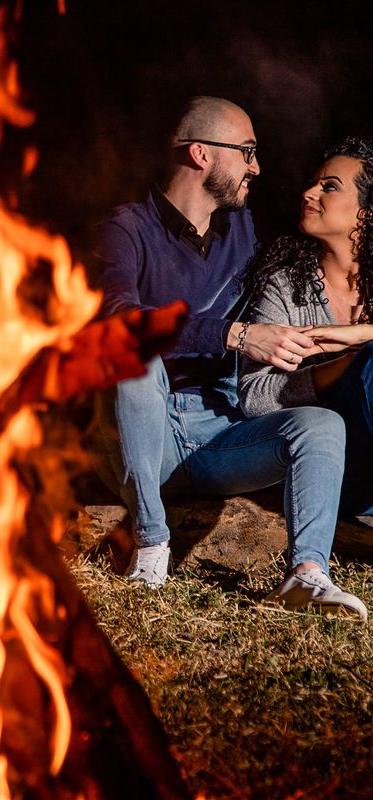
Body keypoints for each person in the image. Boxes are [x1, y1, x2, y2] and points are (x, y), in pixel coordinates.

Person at [91, 96, 367, 620]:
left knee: (321, 424)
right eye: (247, 151)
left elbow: (303, 294)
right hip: (142, 430)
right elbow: (120, 321)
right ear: (201, 154)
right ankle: (151, 546)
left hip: (218, 436)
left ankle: (307, 575)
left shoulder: (244, 233)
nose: (257, 167)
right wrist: (237, 334)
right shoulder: (126, 230)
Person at [240, 135, 373, 523]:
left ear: (366, 213)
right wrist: (347, 366)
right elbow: (253, 397)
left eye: (329, 187)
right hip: (335, 469)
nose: (309, 192)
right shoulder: (285, 288)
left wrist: (362, 335)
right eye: (316, 182)